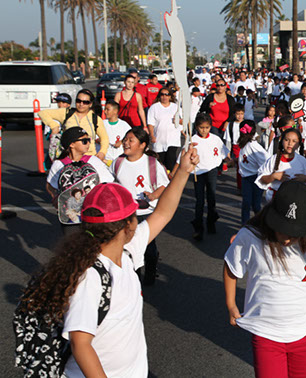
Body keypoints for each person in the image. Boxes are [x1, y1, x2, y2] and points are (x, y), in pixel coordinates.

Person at [19, 147, 199, 377]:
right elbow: (80, 343)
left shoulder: (127, 251)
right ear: (128, 225)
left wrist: (183, 171)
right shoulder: (89, 276)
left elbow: (162, 213)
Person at [224, 181, 306, 378]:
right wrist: (231, 304)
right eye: (281, 228)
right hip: (266, 334)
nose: (286, 239)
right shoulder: (251, 236)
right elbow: (230, 265)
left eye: (294, 232)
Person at [110, 127, 170, 285]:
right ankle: (133, 278)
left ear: (142, 145)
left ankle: (150, 275)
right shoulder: (118, 162)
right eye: (125, 139)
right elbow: (110, 183)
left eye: (131, 140)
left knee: (149, 249)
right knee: (129, 248)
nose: (126, 143)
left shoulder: (151, 163)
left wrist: (153, 195)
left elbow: (164, 185)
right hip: (126, 214)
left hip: (146, 212)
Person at [46, 127, 115, 234]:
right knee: (73, 246)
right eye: (84, 141)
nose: (88, 144)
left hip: (93, 214)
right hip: (70, 216)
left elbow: (107, 183)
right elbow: (50, 185)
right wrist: (56, 198)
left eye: (89, 141)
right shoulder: (59, 164)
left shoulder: (93, 160)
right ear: (71, 144)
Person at [172, 113, 227, 240]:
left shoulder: (215, 139)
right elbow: (181, 158)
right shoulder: (192, 140)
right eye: (201, 127)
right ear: (196, 127)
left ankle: (211, 221)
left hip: (211, 170)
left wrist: (229, 160)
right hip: (198, 172)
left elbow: (224, 152)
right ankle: (198, 227)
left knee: (211, 198)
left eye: (207, 127)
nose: (204, 130)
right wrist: (173, 173)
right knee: (200, 200)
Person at [39, 89, 109, 161]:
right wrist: (53, 125)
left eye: (85, 102)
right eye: (78, 101)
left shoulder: (95, 119)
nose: (81, 104)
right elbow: (42, 113)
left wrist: (102, 152)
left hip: (89, 158)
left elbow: (104, 138)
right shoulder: (66, 113)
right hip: (69, 158)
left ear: (90, 104)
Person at [256, 128, 306, 204]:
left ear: (298, 144)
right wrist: (273, 176)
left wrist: (305, 178)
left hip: (295, 201)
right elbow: (261, 179)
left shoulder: (302, 161)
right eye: (287, 140)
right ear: (281, 141)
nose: (290, 143)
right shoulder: (273, 160)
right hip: (275, 200)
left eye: (294, 141)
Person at [237, 120, 270, 225]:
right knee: (246, 203)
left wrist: (265, 175)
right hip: (246, 177)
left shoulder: (253, 145)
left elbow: (266, 159)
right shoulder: (244, 143)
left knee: (256, 205)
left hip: (255, 177)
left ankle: (260, 224)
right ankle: (245, 225)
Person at [147, 88, 182, 171]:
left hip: (173, 139)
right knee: (160, 163)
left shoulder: (175, 107)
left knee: (171, 161)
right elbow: (151, 123)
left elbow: (184, 120)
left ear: (170, 96)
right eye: (162, 94)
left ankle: (171, 180)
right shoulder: (154, 107)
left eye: (167, 94)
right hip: (159, 139)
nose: (164, 97)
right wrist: (152, 135)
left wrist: (179, 121)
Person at [102, 101, 132, 166]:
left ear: (115, 111)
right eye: (105, 109)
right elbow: (95, 137)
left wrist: (121, 141)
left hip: (119, 158)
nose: (105, 112)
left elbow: (131, 136)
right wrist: (102, 140)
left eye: (108, 110)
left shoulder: (124, 125)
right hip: (105, 158)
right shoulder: (102, 123)